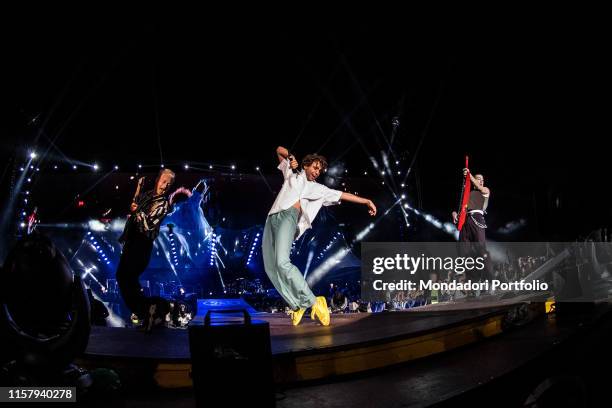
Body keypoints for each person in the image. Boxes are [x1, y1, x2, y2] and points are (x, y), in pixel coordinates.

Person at [263, 146, 377, 326]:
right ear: (306, 165)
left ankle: (314, 302)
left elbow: (343, 195)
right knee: (270, 267)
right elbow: (278, 150)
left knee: (282, 263)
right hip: (271, 218)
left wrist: (367, 201)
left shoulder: (319, 189)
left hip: (288, 218)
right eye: (315, 167)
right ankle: (296, 305)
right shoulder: (292, 175)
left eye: (320, 170)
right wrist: (291, 156)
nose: (317, 172)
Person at [116, 168, 190, 332]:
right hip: (131, 242)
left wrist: (138, 212)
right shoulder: (147, 195)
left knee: (125, 278)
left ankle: (156, 307)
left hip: (142, 245)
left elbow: (148, 225)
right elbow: (134, 207)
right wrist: (138, 189)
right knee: (125, 279)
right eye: (163, 181)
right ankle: (149, 311)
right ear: (158, 180)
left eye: (168, 184)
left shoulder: (163, 204)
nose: (165, 186)